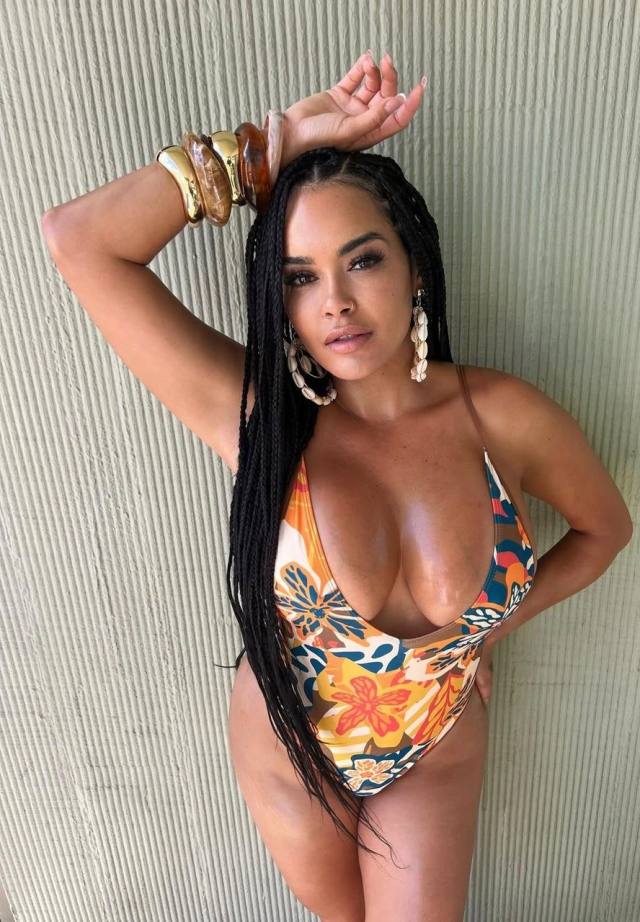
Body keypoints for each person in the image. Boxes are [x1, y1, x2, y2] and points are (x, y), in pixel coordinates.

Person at [41, 50, 633, 922]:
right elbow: (79, 241)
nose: (335, 305)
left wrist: (488, 629)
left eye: (362, 261)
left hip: (433, 739)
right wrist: (266, 148)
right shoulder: (261, 421)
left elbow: (604, 531)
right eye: (301, 277)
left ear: (414, 266)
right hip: (290, 748)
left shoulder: (504, 418)